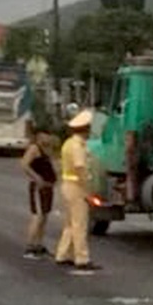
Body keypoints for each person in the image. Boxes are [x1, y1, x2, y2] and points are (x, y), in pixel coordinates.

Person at [54, 110, 100, 274]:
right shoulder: (77, 146)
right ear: (84, 129)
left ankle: (63, 254)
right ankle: (82, 259)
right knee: (80, 223)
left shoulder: (68, 143)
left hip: (67, 185)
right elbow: (80, 167)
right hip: (76, 186)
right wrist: (87, 188)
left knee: (70, 223)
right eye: (88, 129)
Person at [20, 126, 58, 258]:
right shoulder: (34, 149)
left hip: (48, 186)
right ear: (38, 137)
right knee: (38, 216)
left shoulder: (47, 150)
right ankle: (30, 247)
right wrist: (37, 178)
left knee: (45, 216)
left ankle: (39, 244)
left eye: (48, 136)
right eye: (43, 136)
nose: (46, 139)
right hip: (39, 187)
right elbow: (24, 164)